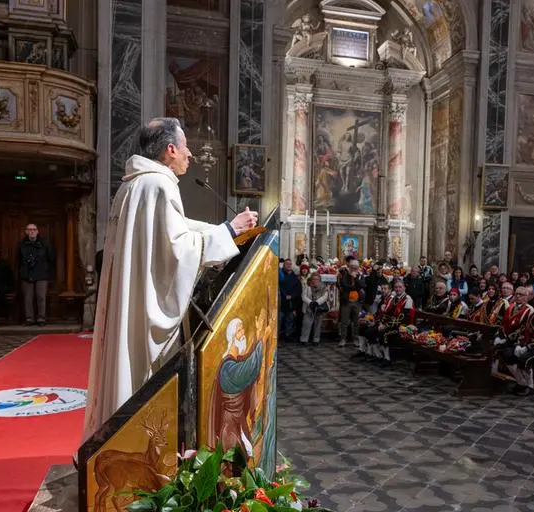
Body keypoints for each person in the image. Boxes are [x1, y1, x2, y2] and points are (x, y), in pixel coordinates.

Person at [82, 118, 258, 440]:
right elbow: (178, 250)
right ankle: (138, 445)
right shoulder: (159, 185)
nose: (190, 155)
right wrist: (230, 231)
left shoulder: (133, 185)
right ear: (170, 149)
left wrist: (226, 230)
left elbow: (177, 228)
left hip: (130, 303)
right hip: (144, 308)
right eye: (186, 147)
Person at [17, 224, 55, 326]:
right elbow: (18, 260)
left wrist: (48, 271)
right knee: (28, 298)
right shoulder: (22, 243)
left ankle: (41, 319)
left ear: (37, 231)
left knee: (41, 297)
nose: (32, 232)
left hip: (42, 273)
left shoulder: (44, 243)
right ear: (26, 232)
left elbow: (51, 258)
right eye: (29, 230)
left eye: (34, 230)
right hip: (27, 274)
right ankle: (29, 319)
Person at [337, 259, 364, 347]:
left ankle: (355, 339)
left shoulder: (360, 275)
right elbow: (344, 285)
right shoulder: (344, 275)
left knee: (356, 322)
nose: (354, 269)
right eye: (352, 267)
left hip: (357, 302)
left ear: (358, 268)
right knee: (344, 322)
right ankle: (343, 339)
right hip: (346, 301)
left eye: (355, 267)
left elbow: (362, 285)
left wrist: (355, 278)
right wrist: (355, 287)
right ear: (349, 267)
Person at [300, 272, 328, 345]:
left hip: (318, 308)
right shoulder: (307, 286)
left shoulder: (323, 287)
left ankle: (316, 340)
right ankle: (304, 339)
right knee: (306, 324)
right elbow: (303, 296)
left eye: (317, 279)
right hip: (308, 307)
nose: (315, 280)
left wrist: (317, 302)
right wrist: (310, 302)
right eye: (314, 279)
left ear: (319, 280)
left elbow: (325, 296)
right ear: (311, 279)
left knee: (317, 325)